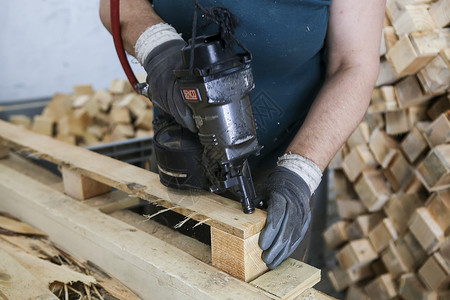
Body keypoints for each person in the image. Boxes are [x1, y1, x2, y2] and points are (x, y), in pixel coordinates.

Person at [99, 0, 386, 269]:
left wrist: (301, 172)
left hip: (280, 166)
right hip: (179, 159)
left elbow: (354, 63)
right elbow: (117, 6)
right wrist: (157, 46)